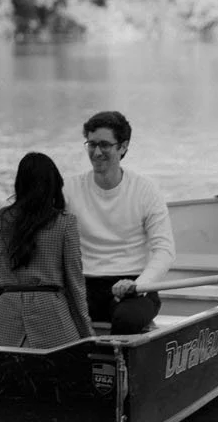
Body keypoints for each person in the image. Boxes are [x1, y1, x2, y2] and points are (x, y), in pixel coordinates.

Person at [62, 110, 174, 336]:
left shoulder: (145, 190)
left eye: (104, 145)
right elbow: (27, 218)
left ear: (123, 147)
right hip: (82, 284)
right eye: (91, 144)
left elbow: (164, 250)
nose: (96, 152)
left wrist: (140, 284)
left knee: (127, 319)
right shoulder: (69, 188)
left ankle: (114, 358)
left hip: (133, 286)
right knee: (45, 312)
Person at [0, 152, 93, 349]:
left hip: (5, 316)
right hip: (52, 319)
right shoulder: (65, 223)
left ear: (19, 184)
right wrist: (87, 334)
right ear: (54, 185)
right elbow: (74, 284)